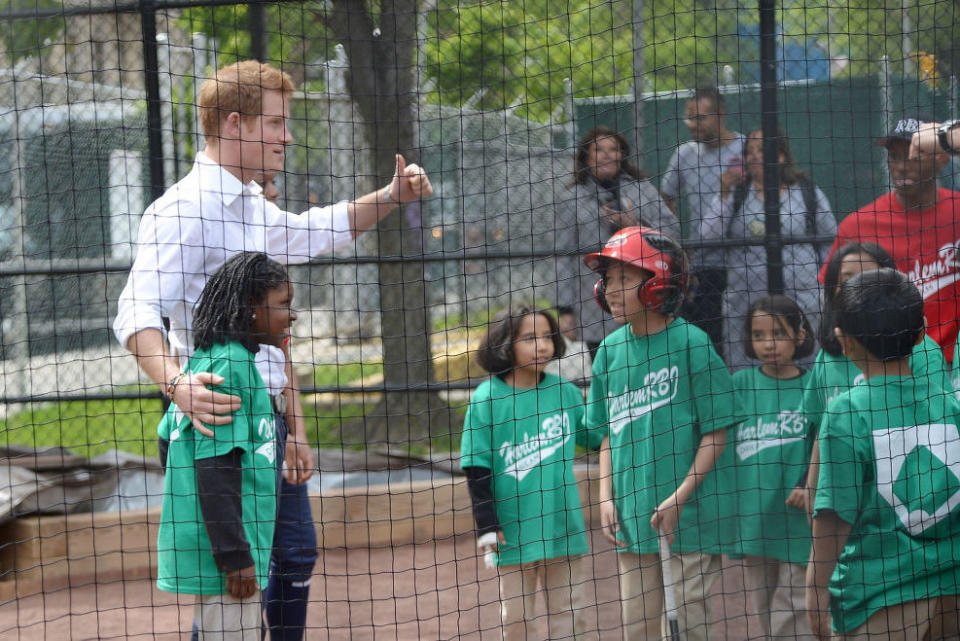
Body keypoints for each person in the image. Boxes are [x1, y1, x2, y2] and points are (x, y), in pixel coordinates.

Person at [112, 60, 433, 640]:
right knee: (231, 581)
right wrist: (177, 386)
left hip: (269, 419)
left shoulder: (251, 205)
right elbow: (134, 311)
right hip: (220, 417)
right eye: (277, 123)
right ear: (235, 125)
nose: (288, 136)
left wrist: (391, 195)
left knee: (291, 555)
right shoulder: (183, 208)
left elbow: (316, 232)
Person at [585, 227, 736, 641]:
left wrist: (679, 496)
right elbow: (607, 434)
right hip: (633, 519)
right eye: (608, 280)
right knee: (638, 629)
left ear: (658, 283)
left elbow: (716, 432)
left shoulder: (691, 343)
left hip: (690, 517)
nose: (610, 290)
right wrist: (605, 497)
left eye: (624, 279)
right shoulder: (610, 352)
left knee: (687, 626)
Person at [806, 268, 960, 641]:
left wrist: (813, 593)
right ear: (922, 332)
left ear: (844, 341)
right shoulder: (950, 403)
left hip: (879, 597)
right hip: (952, 593)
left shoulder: (846, 411)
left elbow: (834, 520)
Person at [156, 252, 294, 640]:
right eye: (283, 304)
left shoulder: (212, 357)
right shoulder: (231, 365)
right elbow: (214, 467)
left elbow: (167, 440)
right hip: (228, 558)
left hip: (221, 544)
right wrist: (233, 556)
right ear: (251, 307)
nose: (292, 315)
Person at [460, 305, 599, 641]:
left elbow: (594, 436)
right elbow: (476, 466)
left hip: (562, 523)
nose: (542, 346)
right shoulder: (487, 398)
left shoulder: (564, 391)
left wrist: (610, 395)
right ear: (505, 344)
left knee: (570, 614)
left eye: (547, 337)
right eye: (529, 338)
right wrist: (487, 525)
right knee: (517, 619)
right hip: (512, 529)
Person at [820, 114, 960, 364]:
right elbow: (834, 296)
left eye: (914, 156)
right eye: (894, 156)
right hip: (890, 365)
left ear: (942, 160)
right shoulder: (858, 224)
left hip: (955, 361)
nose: (901, 166)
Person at [702, 128, 836, 370]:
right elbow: (708, 236)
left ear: (782, 156)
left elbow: (829, 241)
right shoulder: (738, 195)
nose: (754, 156)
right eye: (749, 152)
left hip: (803, 299)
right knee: (746, 369)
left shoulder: (806, 192)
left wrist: (826, 289)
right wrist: (723, 193)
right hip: (746, 301)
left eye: (762, 150)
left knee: (809, 364)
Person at [731, 295, 816, 641]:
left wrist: (808, 482)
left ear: (800, 334)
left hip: (799, 515)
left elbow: (820, 443)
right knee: (763, 606)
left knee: (795, 604)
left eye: (779, 333)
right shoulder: (740, 385)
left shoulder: (814, 384)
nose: (769, 343)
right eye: (759, 334)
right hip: (756, 518)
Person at [554, 126, 680, 354]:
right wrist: (564, 310)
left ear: (622, 154)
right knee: (607, 366)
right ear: (586, 157)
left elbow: (672, 232)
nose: (607, 155)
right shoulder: (570, 198)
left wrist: (635, 225)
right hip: (594, 303)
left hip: (644, 296)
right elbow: (562, 258)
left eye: (613, 149)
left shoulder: (642, 188)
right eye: (598, 149)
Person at [661, 87, 747, 356]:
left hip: (743, 260)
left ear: (720, 115)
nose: (693, 125)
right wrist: (677, 241)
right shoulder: (684, 154)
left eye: (700, 118)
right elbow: (666, 197)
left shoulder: (746, 148)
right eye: (689, 119)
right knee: (707, 343)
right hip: (703, 266)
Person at [544, 305, 593, 384]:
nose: (574, 328)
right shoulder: (552, 345)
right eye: (570, 324)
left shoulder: (581, 345)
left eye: (574, 324)